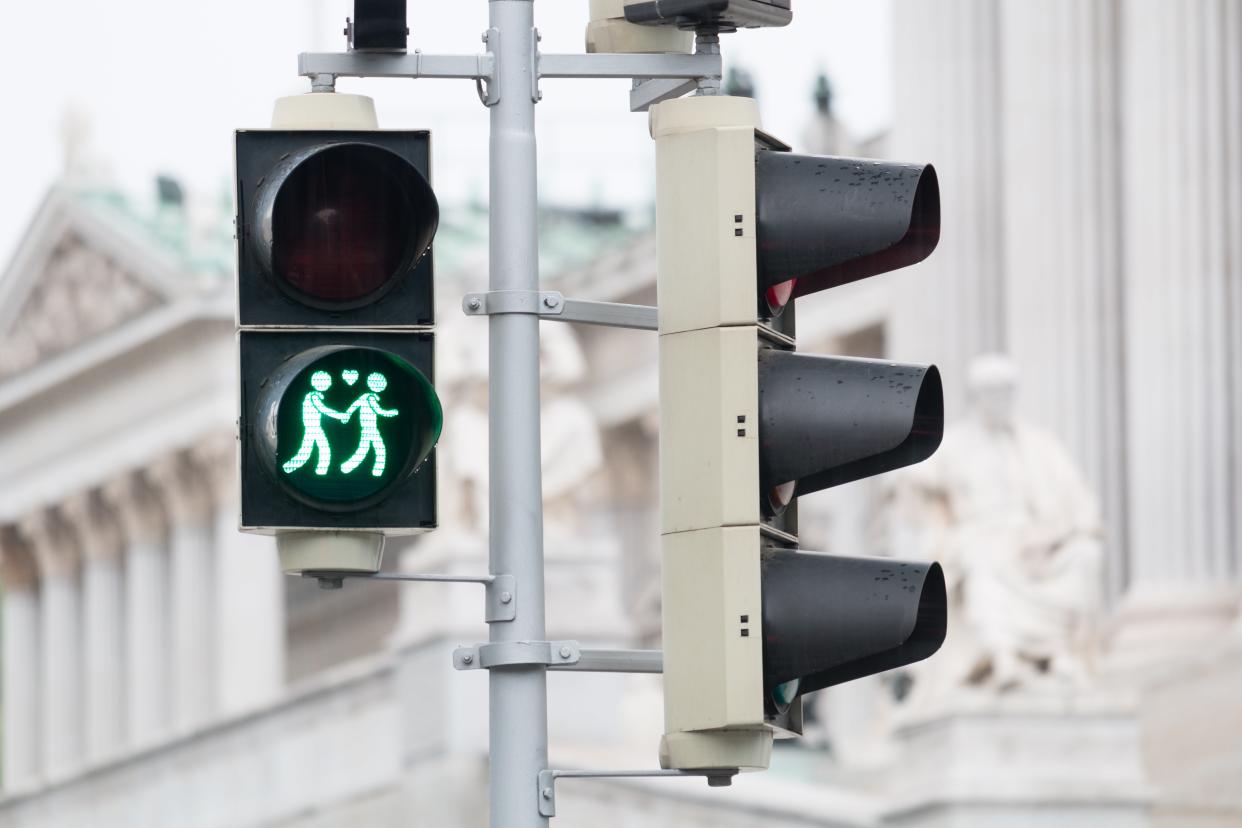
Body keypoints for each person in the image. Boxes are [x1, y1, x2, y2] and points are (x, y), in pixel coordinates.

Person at [898, 354, 1103, 698]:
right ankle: (1003, 655)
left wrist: (1055, 535)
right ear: (977, 397)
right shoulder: (955, 444)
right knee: (981, 556)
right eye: (992, 393)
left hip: (1037, 538)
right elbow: (915, 482)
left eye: (1006, 392)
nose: (1000, 400)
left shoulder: (1039, 443)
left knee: (1085, 554)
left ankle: (1057, 652)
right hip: (980, 532)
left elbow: (1078, 500)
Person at [282, 370, 349, 476]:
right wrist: (340, 415)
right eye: (326, 382)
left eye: (328, 382)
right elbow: (324, 409)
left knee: (310, 451)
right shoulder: (313, 396)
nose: (328, 384)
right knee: (320, 449)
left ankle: (293, 468)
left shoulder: (314, 395)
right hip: (313, 428)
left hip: (313, 427)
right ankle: (318, 470)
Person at [341, 372, 399, 477]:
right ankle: (375, 470)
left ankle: (348, 467)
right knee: (378, 449)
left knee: (367, 449)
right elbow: (379, 411)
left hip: (368, 429)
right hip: (370, 429)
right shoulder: (370, 398)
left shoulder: (366, 396)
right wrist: (391, 413)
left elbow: (354, 405)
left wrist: (347, 414)